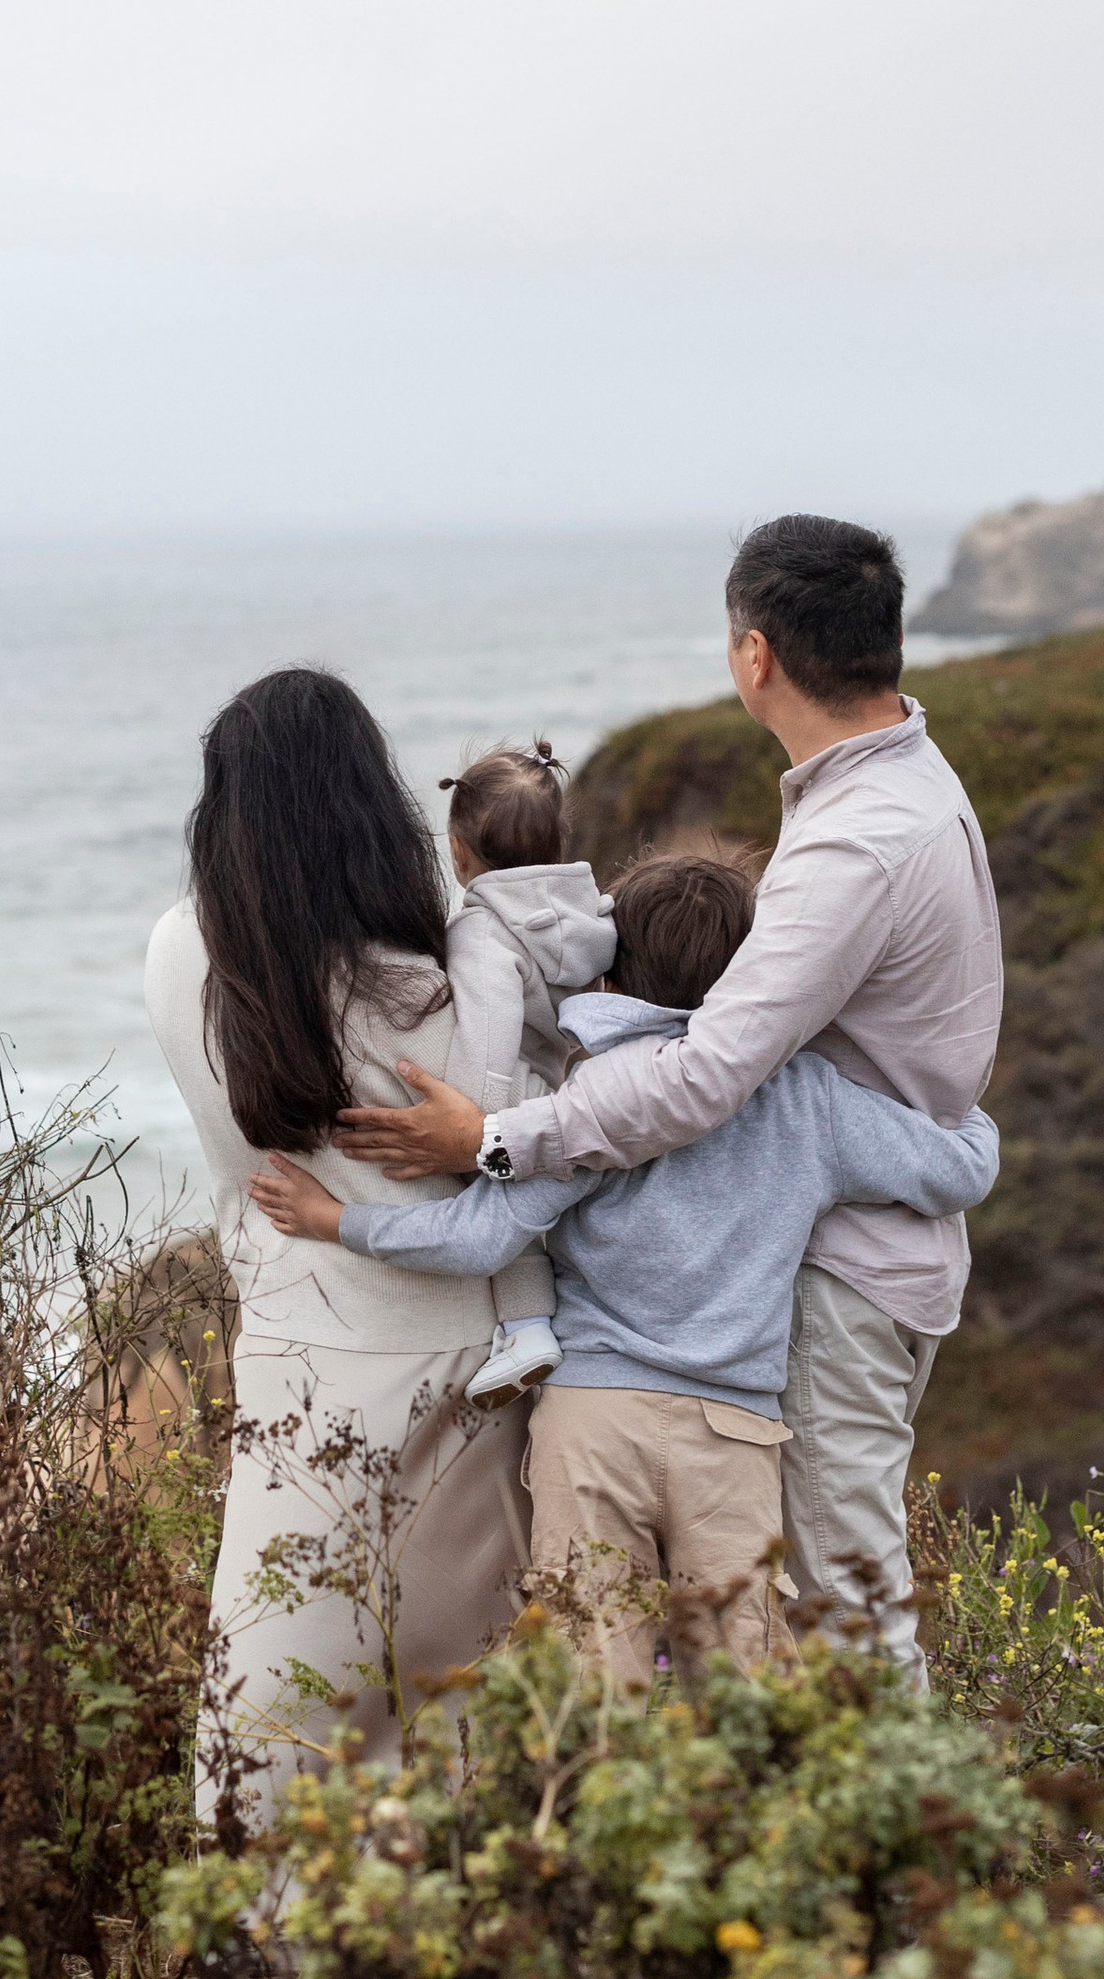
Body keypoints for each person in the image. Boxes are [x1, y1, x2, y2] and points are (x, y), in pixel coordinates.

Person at [333, 515, 1003, 1679]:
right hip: (874, 1220)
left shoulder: (854, 844)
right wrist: (968, 1134)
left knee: (838, 1607)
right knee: (789, 1616)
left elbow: (701, 1078)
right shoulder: (907, 782)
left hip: (843, 1273)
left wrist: (495, 1137)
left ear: (754, 657)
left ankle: (882, 1850)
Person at [252, 850, 996, 1684]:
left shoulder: (589, 1101)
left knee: (596, 1683)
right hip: (735, 1431)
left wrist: (337, 1220)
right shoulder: (808, 1100)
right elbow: (959, 1173)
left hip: (591, 1423)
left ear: (609, 977)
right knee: (746, 1689)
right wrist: (973, 1122)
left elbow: (476, 1241)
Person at [144, 667, 529, 1824]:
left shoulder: (183, 958)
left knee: (268, 1731)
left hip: (294, 1364)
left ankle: (271, 1976)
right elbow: (526, 1142)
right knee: (459, 1723)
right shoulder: (442, 997)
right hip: (462, 1366)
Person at [436, 740, 617, 1406]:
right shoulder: (591, 914)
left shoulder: (483, 935)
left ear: (459, 852)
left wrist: (468, 1138)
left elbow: (486, 1052)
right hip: (585, 1094)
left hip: (522, 1105)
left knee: (509, 1226)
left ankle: (526, 1329)